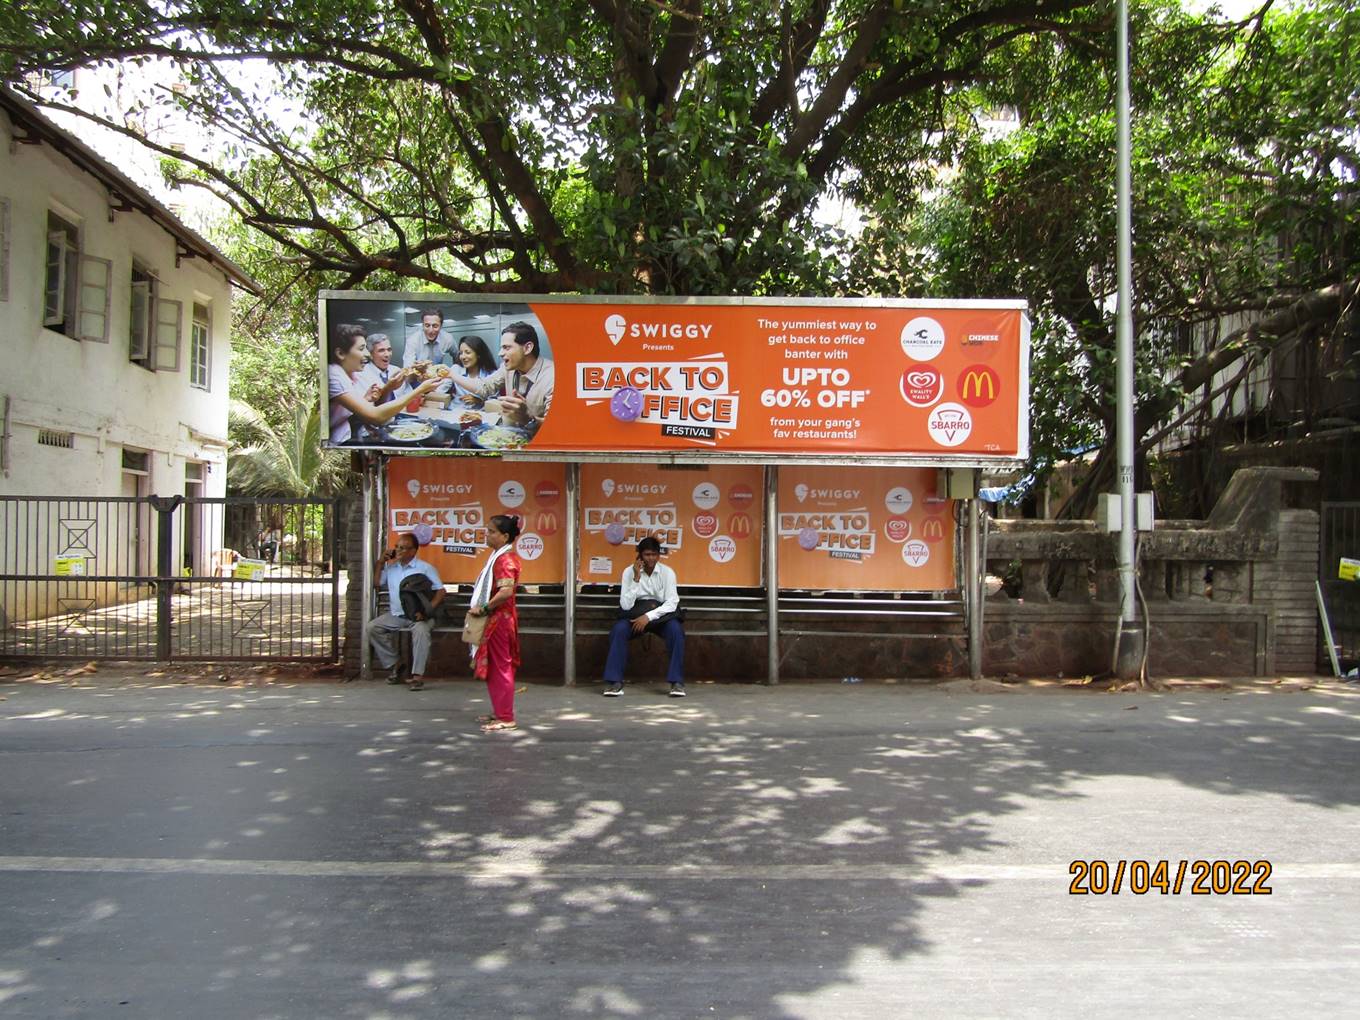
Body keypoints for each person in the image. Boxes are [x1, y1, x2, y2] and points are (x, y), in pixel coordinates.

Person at [602, 536, 685, 697]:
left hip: (660, 617)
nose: (651, 558)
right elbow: (626, 605)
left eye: (654, 554)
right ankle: (614, 682)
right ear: (640, 555)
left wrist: (648, 617)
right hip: (635, 615)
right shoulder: (628, 572)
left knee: (676, 631)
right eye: (647, 554)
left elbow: (672, 602)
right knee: (618, 630)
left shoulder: (667, 573)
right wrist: (636, 578)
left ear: (659, 555)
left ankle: (677, 683)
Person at [328, 324, 439, 444]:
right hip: (341, 442)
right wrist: (420, 390)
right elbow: (375, 416)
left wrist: (375, 394)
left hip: (355, 433)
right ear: (340, 353)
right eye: (361, 349)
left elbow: (356, 411)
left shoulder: (350, 374)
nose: (367, 354)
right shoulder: (335, 375)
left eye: (389, 350)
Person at [367, 531, 445, 691]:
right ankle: (396, 664)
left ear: (413, 551)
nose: (398, 550)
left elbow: (441, 591)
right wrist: (380, 563)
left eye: (403, 548)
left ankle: (417, 676)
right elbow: (377, 583)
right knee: (372, 627)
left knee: (421, 632)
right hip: (398, 615)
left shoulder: (425, 568)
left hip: (419, 616)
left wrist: (426, 611)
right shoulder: (391, 568)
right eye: (397, 547)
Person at [466, 515, 522, 730]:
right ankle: (500, 710)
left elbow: (505, 592)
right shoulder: (498, 557)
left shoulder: (505, 560)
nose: (487, 535)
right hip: (498, 619)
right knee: (495, 666)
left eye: (491, 532)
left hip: (499, 620)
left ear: (505, 536)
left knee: (500, 667)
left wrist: (484, 608)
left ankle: (506, 717)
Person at [446, 320, 555, 431]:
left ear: (527, 348)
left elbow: (555, 425)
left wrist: (528, 418)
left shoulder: (552, 377)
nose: (500, 353)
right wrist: (451, 374)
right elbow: (484, 387)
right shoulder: (507, 368)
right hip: (510, 433)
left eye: (506, 347)